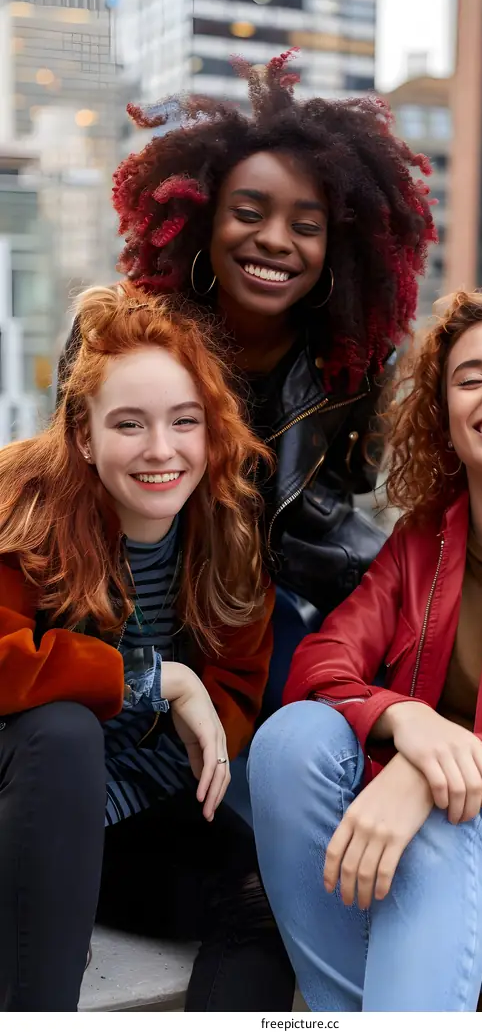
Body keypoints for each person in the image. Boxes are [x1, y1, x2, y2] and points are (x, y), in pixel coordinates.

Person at [248, 283, 482, 1013]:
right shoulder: (420, 544)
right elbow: (322, 663)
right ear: (443, 414)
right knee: (290, 740)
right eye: (471, 378)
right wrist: (411, 724)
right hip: (434, 876)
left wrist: (441, 767)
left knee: (445, 808)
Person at [59, 50, 435, 722]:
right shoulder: (121, 334)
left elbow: (349, 488)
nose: (275, 240)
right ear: (204, 217)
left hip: (273, 598)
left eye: (305, 226)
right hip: (133, 592)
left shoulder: (351, 359)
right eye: (249, 212)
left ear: (336, 246)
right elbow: (67, 480)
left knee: (319, 716)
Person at [0, 283, 294, 1012]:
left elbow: (231, 701)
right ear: (83, 433)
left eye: (184, 421)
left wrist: (196, 701)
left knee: (272, 893)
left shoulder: (225, 532)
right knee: (63, 729)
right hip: (22, 809)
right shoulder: (21, 503)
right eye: (129, 423)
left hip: (124, 823)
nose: (161, 450)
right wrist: (154, 678)